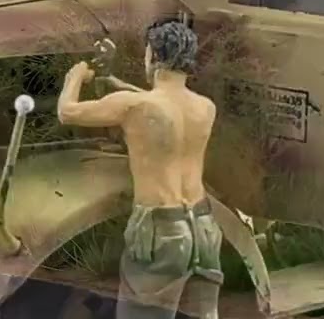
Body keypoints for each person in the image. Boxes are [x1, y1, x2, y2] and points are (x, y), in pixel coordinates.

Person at [56, 18, 222, 319]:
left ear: (154, 56)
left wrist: (75, 76)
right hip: (203, 226)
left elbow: (67, 112)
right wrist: (116, 83)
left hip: (160, 229)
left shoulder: (134, 106)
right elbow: (163, 106)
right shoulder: (205, 107)